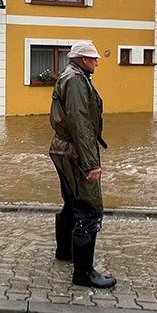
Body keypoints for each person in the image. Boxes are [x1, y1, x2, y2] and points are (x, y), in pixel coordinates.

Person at [49, 40, 116, 289]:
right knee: (89, 210)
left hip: (61, 149)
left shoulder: (72, 75)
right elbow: (80, 123)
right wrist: (91, 164)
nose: (97, 62)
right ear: (83, 59)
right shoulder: (76, 80)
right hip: (75, 152)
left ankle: (64, 253)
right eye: (93, 58)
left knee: (71, 204)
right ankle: (83, 274)